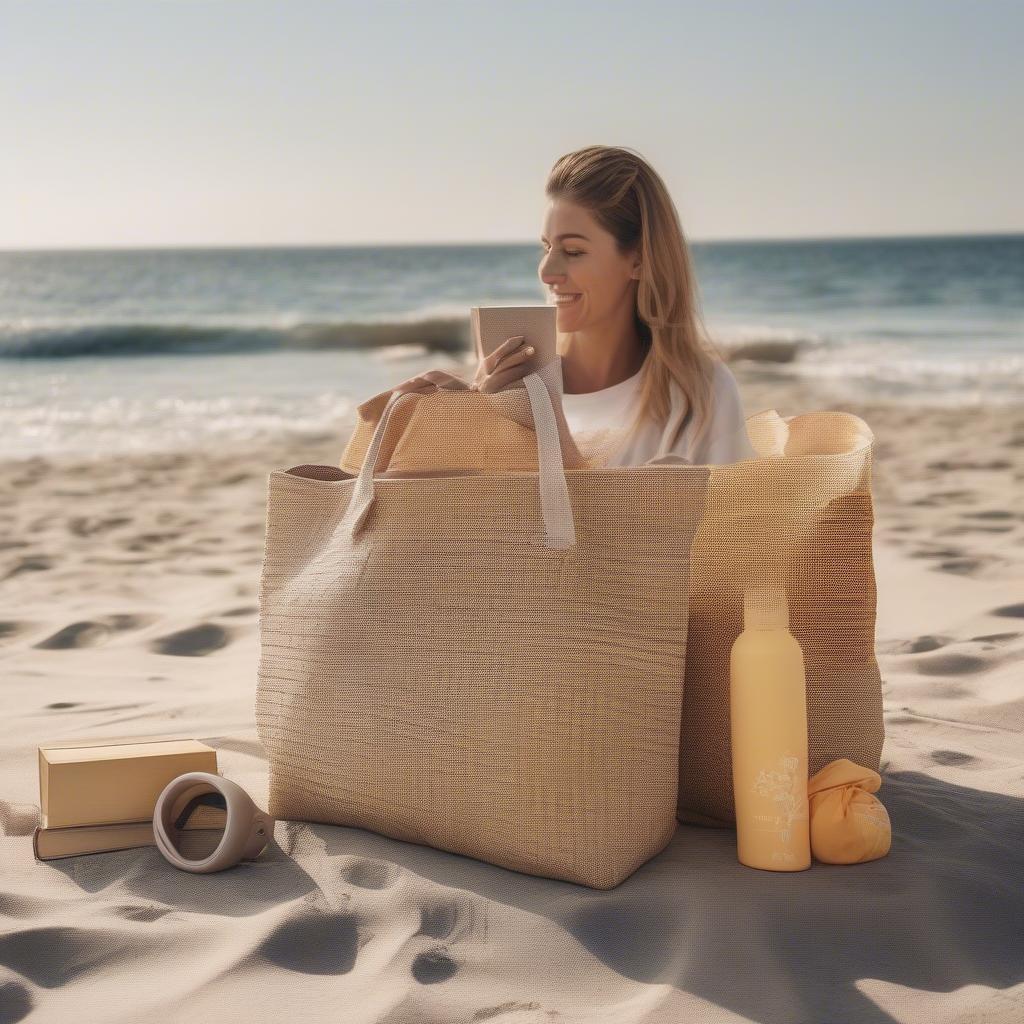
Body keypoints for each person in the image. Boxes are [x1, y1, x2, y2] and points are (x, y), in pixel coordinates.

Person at [393, 144, 757, 467]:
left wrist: (550, 439)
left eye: (573, 252)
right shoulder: (515, 385)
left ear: (639, 260)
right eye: (546, 247)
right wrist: (470, 425)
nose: (546, 271)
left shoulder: (700, 394)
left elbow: (727, 538)